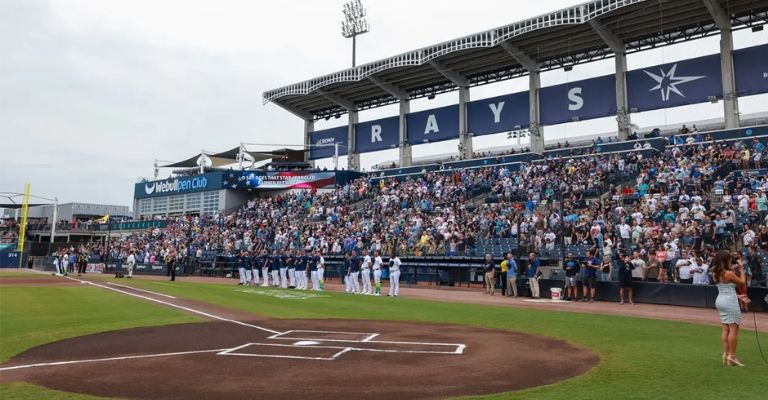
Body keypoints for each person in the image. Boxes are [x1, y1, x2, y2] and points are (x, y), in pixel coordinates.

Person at [712, 249, 750, 367]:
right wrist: (741, 269)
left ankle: (726, 354)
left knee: (725, 329)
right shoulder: (728, 273)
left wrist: (737, 295)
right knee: (733, 329)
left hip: (720, 300)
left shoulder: (714, 271)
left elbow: (726, 287)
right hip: (729, 301)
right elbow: (742, 282)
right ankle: (732, 357)